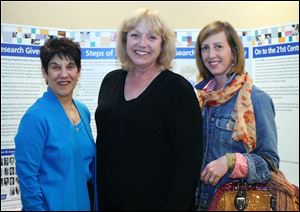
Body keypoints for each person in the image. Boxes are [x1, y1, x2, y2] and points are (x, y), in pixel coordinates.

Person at [95, 8, 203, 210]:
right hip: (109, 203)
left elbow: (188, 164)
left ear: (162, 45)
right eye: (135, 35)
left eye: (152, 37)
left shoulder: (178, 90)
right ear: (125, 40)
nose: (142, 44)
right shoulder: (110, 81)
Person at [194, 20, 279, 210]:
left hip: (234, 203)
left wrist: (231, 162)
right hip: (199, 202)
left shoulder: (256, 99)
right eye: (205, 48)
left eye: (218, 47)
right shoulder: (200, 99)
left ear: (233, 52)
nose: (211, 55)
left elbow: (271, 163)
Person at [15, 37, 96, 211]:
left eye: (70, 66)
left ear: (79, 71)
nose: (64, 74)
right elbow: (28, 180)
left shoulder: (83, 111)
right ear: (45, 72)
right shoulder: (35, 118)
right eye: (55, 67)